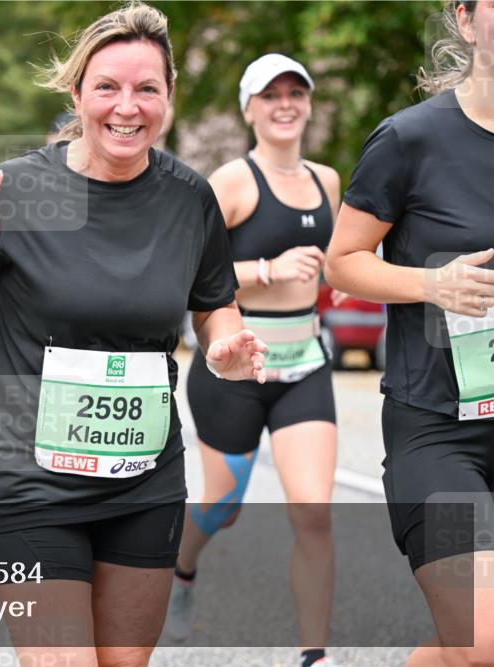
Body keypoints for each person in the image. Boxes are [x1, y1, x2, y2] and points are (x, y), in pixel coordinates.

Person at [0, 3, 267, 664]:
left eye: (147, 88)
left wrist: (225, 343)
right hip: (30, 480)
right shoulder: (18, 190)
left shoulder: (189, 197)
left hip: (145, 478)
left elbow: (214, 301)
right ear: (76, 92)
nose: (126, 107)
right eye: (107, 86)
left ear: (168, 96)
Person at [325, 2, 494, 665]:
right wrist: (432, 284)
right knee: (481, 638)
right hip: (439, 437)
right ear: (467, 19)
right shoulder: (410, 139)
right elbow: (342, 261)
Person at [166, 54, 345, 667]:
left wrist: (339, 278)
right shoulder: (232, 182)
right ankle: (182, 570)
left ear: (309, 103)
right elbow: (188, 275)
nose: (285, 104)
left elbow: (335, 259)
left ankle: (312, 656)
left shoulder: (327, 181)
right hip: (235, 365)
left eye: (296, 92)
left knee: (313, 514)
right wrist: (267, 270)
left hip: (304, 367)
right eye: (271, 96)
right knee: (223, 504)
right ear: (249, 110)